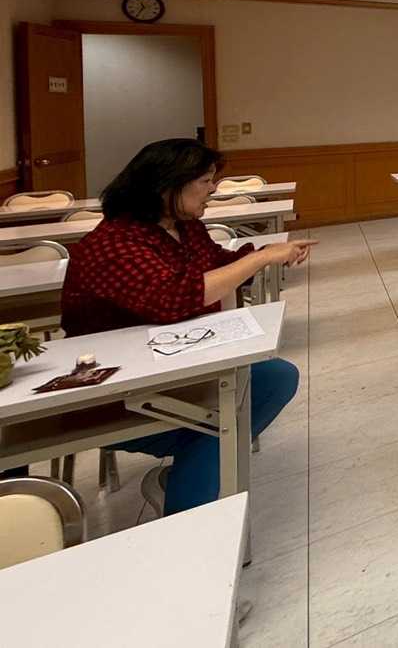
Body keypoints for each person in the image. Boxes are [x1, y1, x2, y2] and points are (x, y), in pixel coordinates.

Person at [61, 138, 312, 515]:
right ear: (167, 184)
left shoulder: (185, 228)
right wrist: (261, 260)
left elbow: (220, 265)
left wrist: (266, 256)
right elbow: (173, 298)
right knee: (219, 426)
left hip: (179, 363)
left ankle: (191, 472)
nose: (213, 189)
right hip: (119, 385)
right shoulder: (113, 243)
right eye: (205, 180)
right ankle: (190, 506)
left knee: (274, 378)